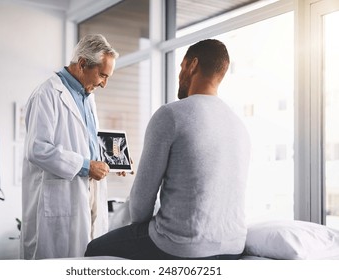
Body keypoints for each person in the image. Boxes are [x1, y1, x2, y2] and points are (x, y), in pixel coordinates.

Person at [85, 39, 251, 260]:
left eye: (181, 67)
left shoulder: (170, 115)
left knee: (94, 249)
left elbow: (140, 207)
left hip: (183, 245)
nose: (180, 75)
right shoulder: (238, 124)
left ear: (192, 65)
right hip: (233, 247)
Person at [20, 34, 119, 259]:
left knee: (88, 258)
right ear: (83, 63)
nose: (104, 83)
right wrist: (86, 166)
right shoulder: (47, 94)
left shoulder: (87, 96)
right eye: (102, 75)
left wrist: (114, 160)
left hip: (89, 190)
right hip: (61, 195)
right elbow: (37, 149)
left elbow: (87, 143)